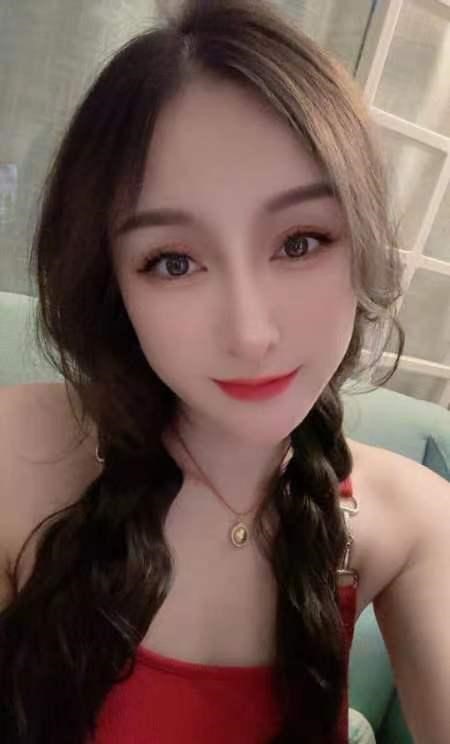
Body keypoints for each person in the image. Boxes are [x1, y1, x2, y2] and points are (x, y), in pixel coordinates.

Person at [0, 0, 449, 742]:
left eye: (300, 242)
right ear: (113, 287)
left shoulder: (413, 519)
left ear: (363, 242)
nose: (250, 334)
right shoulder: (18, 455)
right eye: (174, 261)